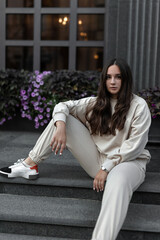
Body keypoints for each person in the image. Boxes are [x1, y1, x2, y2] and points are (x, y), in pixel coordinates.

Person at [0, 58, 151, 240]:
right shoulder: (96, 103)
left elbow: (134, 147)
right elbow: (62, 105)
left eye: (118, 77)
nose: (112, 82)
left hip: (128, 163)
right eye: (108, 77)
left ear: (125, 79)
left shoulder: (139, 106)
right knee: (63, 118)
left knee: (117, 181)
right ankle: (30, 163)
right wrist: (61, 125)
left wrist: (106, 168)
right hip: (98, 160)